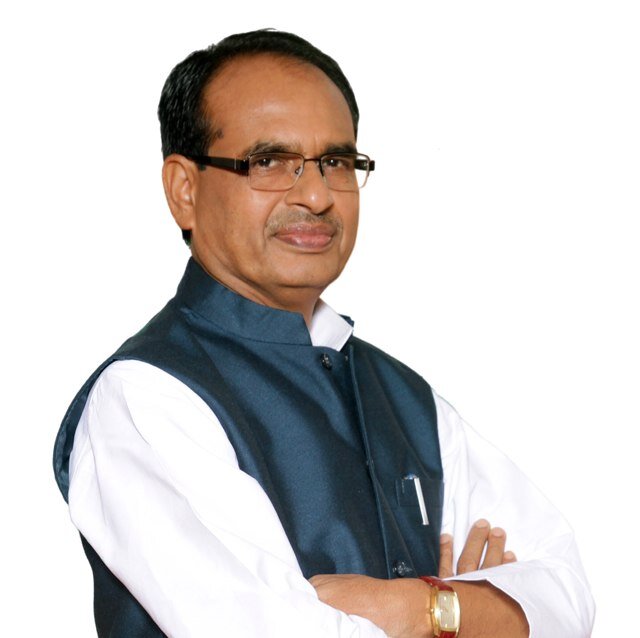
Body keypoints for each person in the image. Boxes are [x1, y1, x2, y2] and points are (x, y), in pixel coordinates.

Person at [53, 29, 594, 637]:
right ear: (185, 190)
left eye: (335, 163)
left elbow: (568, 596)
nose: (315, 195)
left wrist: (422, 608)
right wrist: (475, 614)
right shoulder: (146, 397)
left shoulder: (406, 400)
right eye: (268, 162)